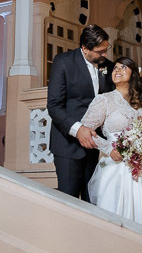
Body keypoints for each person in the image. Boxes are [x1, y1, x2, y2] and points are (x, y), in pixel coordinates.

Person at [80, 57, 142, 237]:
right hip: (116, 167)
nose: (116, 71)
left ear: (134, 73)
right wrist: (108, 149)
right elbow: (85, 130)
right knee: (117, 216)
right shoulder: (104, 100)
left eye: (123, 67)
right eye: (115, 68)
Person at [47, 23, 115, 201]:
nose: (105, 55)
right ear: (85, 48)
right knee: (68, 201)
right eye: (100, 52)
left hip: (96, 146)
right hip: (67, 146)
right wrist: (78, 130)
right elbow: (54, 105)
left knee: (93, 200)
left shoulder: (108, 66)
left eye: (106, 49)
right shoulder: (63, 62)